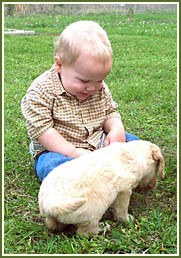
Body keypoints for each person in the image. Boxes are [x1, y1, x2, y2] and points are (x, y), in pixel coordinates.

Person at [21, 20, 139, 182]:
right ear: (59, 65)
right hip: (58, 150)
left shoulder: (98, 87)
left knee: (136, 145)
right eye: (84, 81)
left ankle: (114, 174)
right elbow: (43, 131)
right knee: (51, 167)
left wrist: (116, 129)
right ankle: (93, 179)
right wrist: (74, 152)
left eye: (99, 80)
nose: (92, 88)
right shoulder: (40, 91)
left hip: (98, 141)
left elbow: (110, 112)